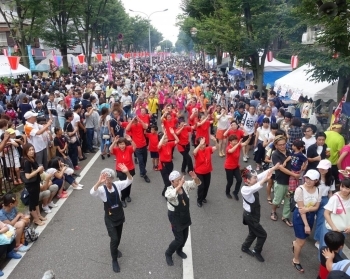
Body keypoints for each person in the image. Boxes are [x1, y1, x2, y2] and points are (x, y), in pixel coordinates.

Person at [90, 165, 133, 273]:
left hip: (119, 215)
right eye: (105, 178)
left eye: (108, 178)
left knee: (118, 237)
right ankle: (114, 260)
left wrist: (127, 172)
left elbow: (129, 181)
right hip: (109, 218)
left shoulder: (117, 185)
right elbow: (92, 192)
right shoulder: (101, 189)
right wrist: (99, 182)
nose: (107, 180)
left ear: (112, 178)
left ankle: (115, 249)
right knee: (114, 239)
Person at [240, 164, 280, 262]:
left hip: (254, 215)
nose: (257, 179)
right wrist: (265, 179)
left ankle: (245, 247)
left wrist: (274, 168)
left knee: (253, 232)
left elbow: (262, 175)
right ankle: (257, 251)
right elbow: (256, 187)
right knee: (262, 234)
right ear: (247, 180)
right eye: (254, 178)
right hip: (250, 216)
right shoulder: (245, 189)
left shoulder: (253, 182)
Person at [164, 170, 201, 266]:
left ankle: (179, 250)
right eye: (177, 180)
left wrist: (195, 178)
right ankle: (168, 253)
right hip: (175, 217)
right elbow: (169, 195)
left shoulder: (184, 185)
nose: (180, 181)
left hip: (185, 215)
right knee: (178, 239)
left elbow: (196, 184)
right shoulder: (169, 190)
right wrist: (179, 186)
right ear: (171, 182)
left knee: (185, 237)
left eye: (180, 179)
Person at [292, 169, 321, 273]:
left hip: (310, 215)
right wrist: (306, 225)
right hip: (300, 217)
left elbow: (316, 207)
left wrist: (308, 209)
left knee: (301, 240)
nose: (307, 180)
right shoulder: (300, 189)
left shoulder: (318, 190)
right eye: (307, 178)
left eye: (311, 179)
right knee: (302, 242)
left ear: (316, 180)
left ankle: (295, 243)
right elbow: (301, 209)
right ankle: (295, 260)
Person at [270, 135, 300, 225]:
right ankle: (273, 211)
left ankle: (285, 216)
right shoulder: (275, 154)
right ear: (276, 145)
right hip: (281, 181)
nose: (283, 146)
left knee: (288, 200)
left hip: (290, 182)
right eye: (280, 145)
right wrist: (294, 174)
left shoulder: (289, 152)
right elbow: (280, 168)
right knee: (277, 200)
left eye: (284, 144)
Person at [319, 179, 350, 249]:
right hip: (331, 230)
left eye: (347, 188)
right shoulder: (335, 198)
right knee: (326, 250)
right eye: (342, 187)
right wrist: (334, 228)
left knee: (338, 250)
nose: (344, 190)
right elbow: (326, 213)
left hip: (343, 231)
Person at [22, 143, 46, 226]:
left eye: (32, 149)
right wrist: (37, 170)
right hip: (31, 185)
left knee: (36, 201)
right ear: (25, 151)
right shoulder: (26, 162)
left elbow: (38, 170)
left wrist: (40, 170)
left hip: (36, 182)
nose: (32, 151)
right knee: (32, 203)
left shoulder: (32, 159)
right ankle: (36, 219)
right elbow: (27, 176)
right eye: (29, 150)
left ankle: (39, 216)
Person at [109, 136, 136, 208]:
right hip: (120, 170)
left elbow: (134, 147)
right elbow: (110, 149)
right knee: (123, 185)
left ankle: (128, 195)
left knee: (129, 183)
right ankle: (122, 199)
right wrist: (114, 142)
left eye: (123, 144)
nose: (122, 146)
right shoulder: (117, 150)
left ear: (125, 144)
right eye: (120, 144)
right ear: (118, 145)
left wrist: (131, 140)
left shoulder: (129, 148)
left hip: (130, 169)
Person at [314, 159, 335, 249]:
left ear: (328, 169)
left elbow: (330, 192)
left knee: (321, 221)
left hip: (324, 200)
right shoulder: (314, 176)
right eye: (320, 168)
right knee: (309, 217)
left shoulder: (331, 179)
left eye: (324, 168)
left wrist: (332, 204)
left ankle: (318, 239)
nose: (321, 170)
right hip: (313, 199)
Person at [193, 135, 217, 207]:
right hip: (198, 172)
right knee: (201, 186)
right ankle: (199, 200)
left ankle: (203, 197)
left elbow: (216, 147)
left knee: (206, 186)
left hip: (207, 171)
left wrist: (215, 141)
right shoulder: (197, 151)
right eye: (201, 144)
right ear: (198, 144)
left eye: (204, 144)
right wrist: (199, 144)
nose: (203, 145)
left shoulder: (208, 149)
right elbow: (194, 152)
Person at [224, 134, 251, 200]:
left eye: (236, 140)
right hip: (229, 167)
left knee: (239, 180)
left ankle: (235, 192)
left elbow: (245, 143)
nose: (236, 142)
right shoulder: (228, 148)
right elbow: (231, 151)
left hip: (235, 166)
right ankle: (227, 192)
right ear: (230, 142)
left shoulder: (238, 145)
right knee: (230, 182)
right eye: (234, 141)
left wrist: (249, 138)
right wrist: (238, 144)